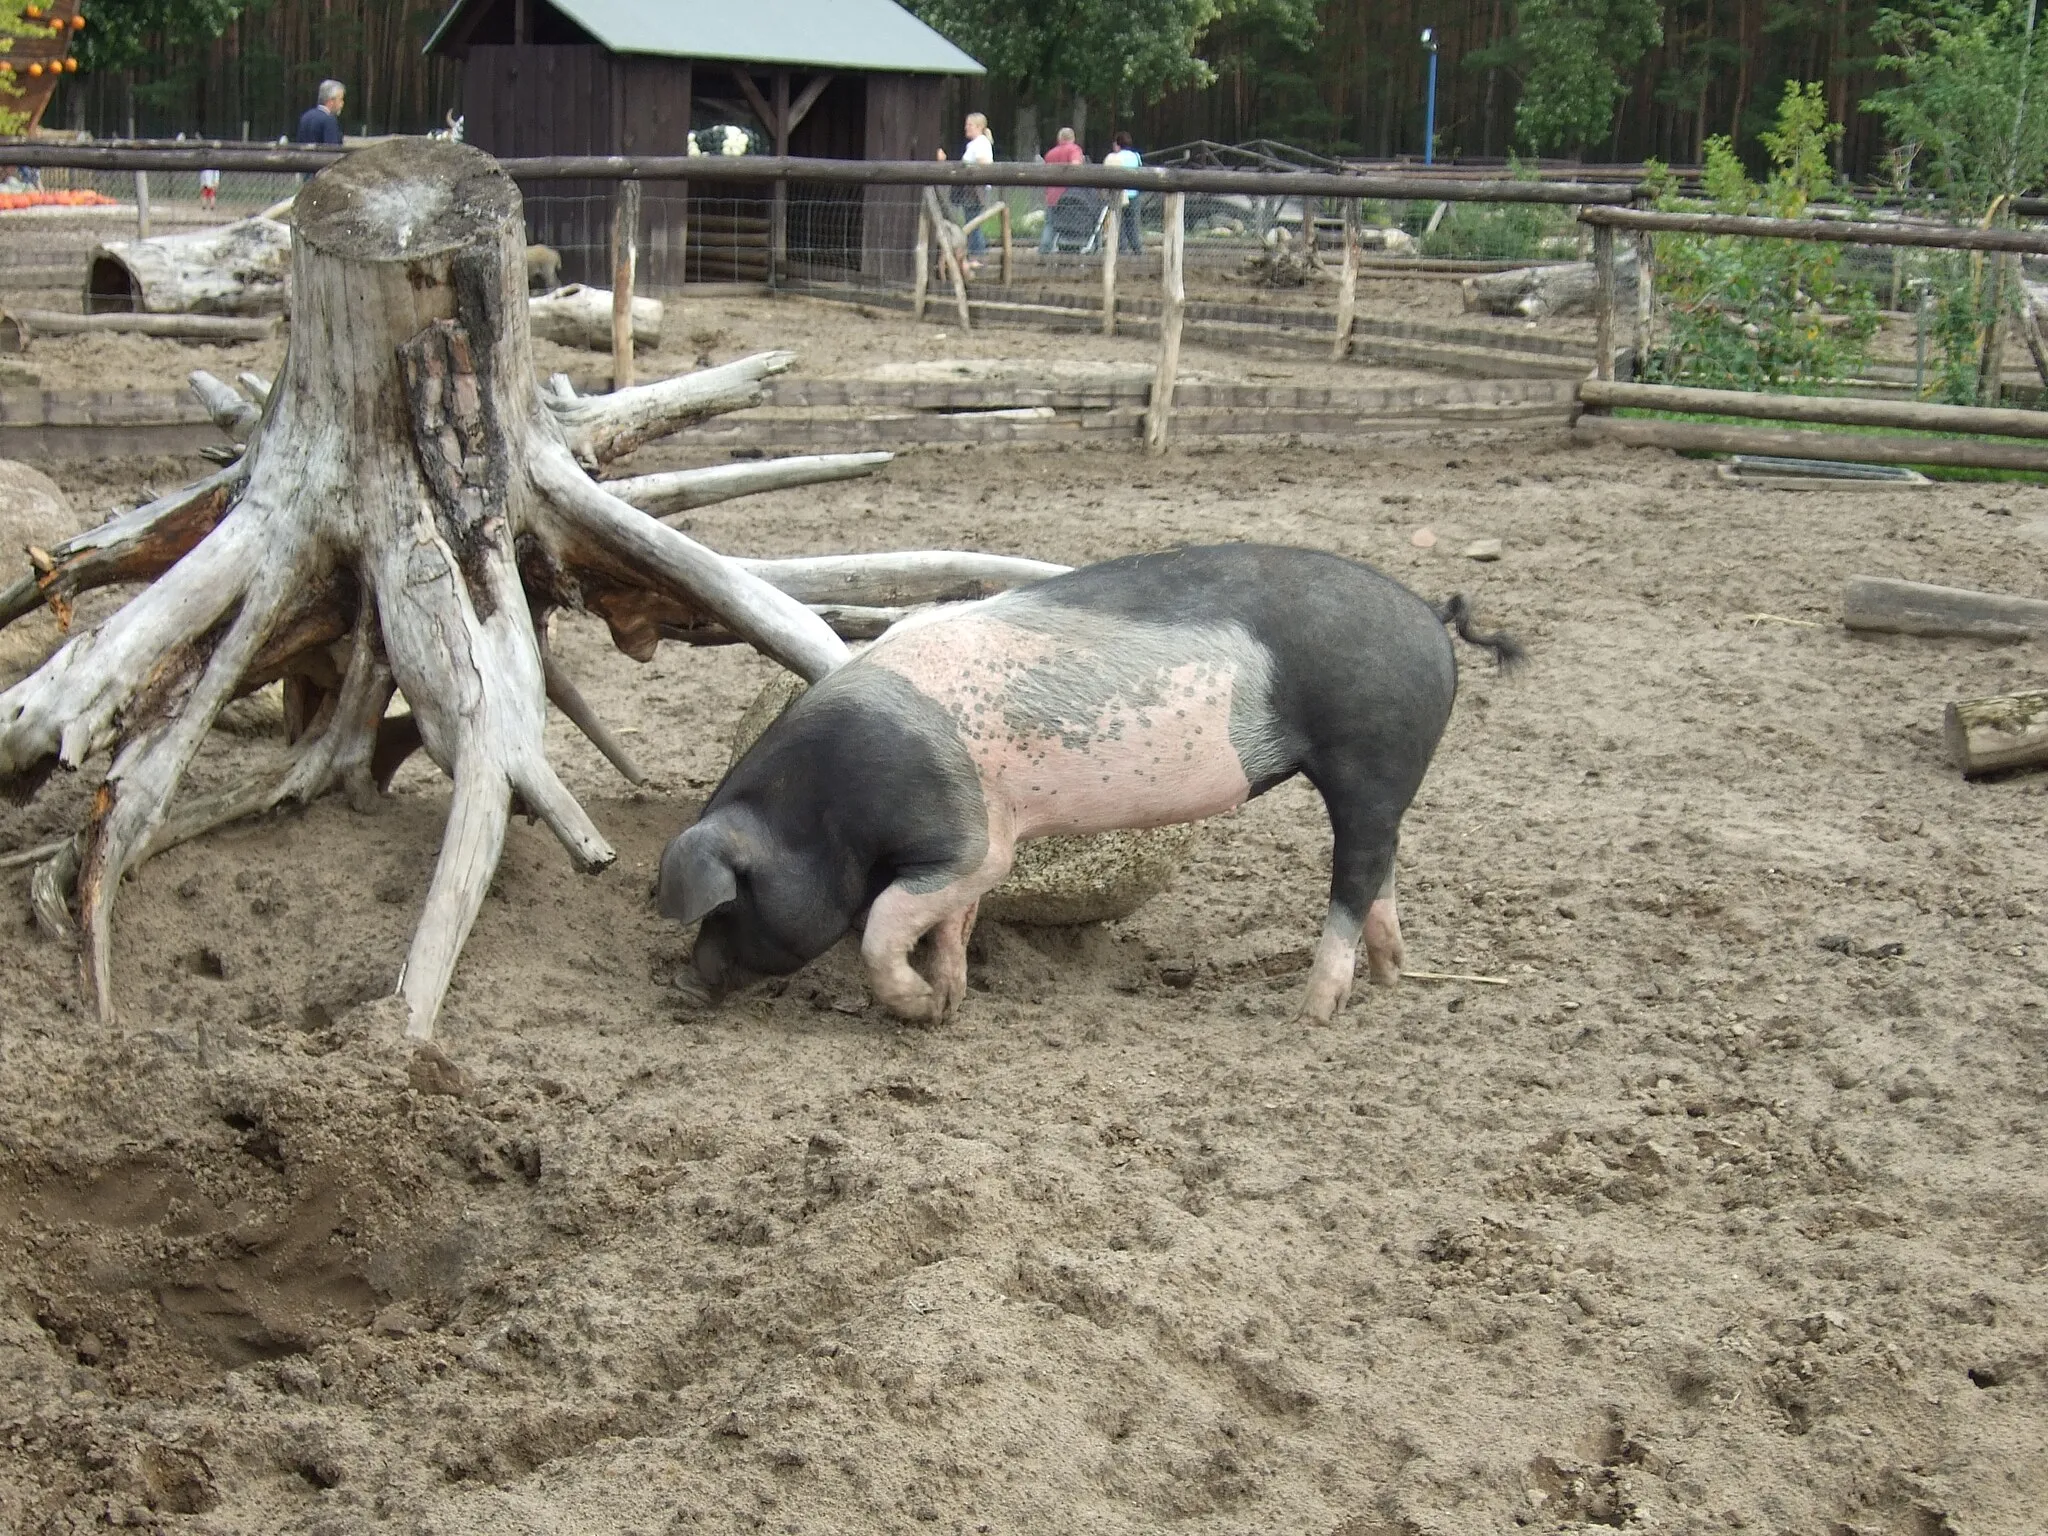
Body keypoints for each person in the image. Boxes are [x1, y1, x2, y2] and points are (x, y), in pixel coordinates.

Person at [957, 112, 994, 266]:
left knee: (973, 222)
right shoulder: (975, 143)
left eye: (969, 125)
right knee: (971, 221)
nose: (966, 128)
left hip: (975, 189)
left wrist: (969, 168)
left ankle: (978, 256)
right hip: (971, 188)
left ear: (979, 127)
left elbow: (983, 162)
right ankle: (976, 254)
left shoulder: (980, 143)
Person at [1039, 126, 1083, 254]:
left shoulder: (1050, 153)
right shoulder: (1074, 149)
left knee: (1050, 225)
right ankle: (1069, 252)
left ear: (1059, 138)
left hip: (1052, 196)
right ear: (1073, 138)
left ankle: (1043, 252)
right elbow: (1076, 165)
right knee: (1070, 226)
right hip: (1069, 196)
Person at [1104, 131, 1143, 254]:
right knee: (1133, 223)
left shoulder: (1115, 157)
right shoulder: (1136, 156)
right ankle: (1137, 248)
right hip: (1134, 194)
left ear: (1118, 143)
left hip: (1120, 195)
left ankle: (1122, 248)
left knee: (1118, 222)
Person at [295, 80, 345, 146]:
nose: (342, 103)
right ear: (331, 101)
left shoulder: (306, 116)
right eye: (340, 99)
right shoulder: (329, 120)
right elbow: (333, 150)